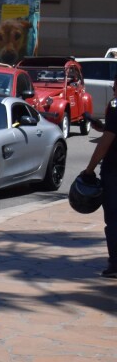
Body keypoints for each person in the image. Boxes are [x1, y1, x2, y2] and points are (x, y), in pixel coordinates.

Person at [82, 73, 117, 276]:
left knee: (113, 219)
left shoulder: (115, 106)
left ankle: (115, 264)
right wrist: (104, 128)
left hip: (114, 171)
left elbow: (105, 144)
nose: (113, 87)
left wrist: (89, 170)